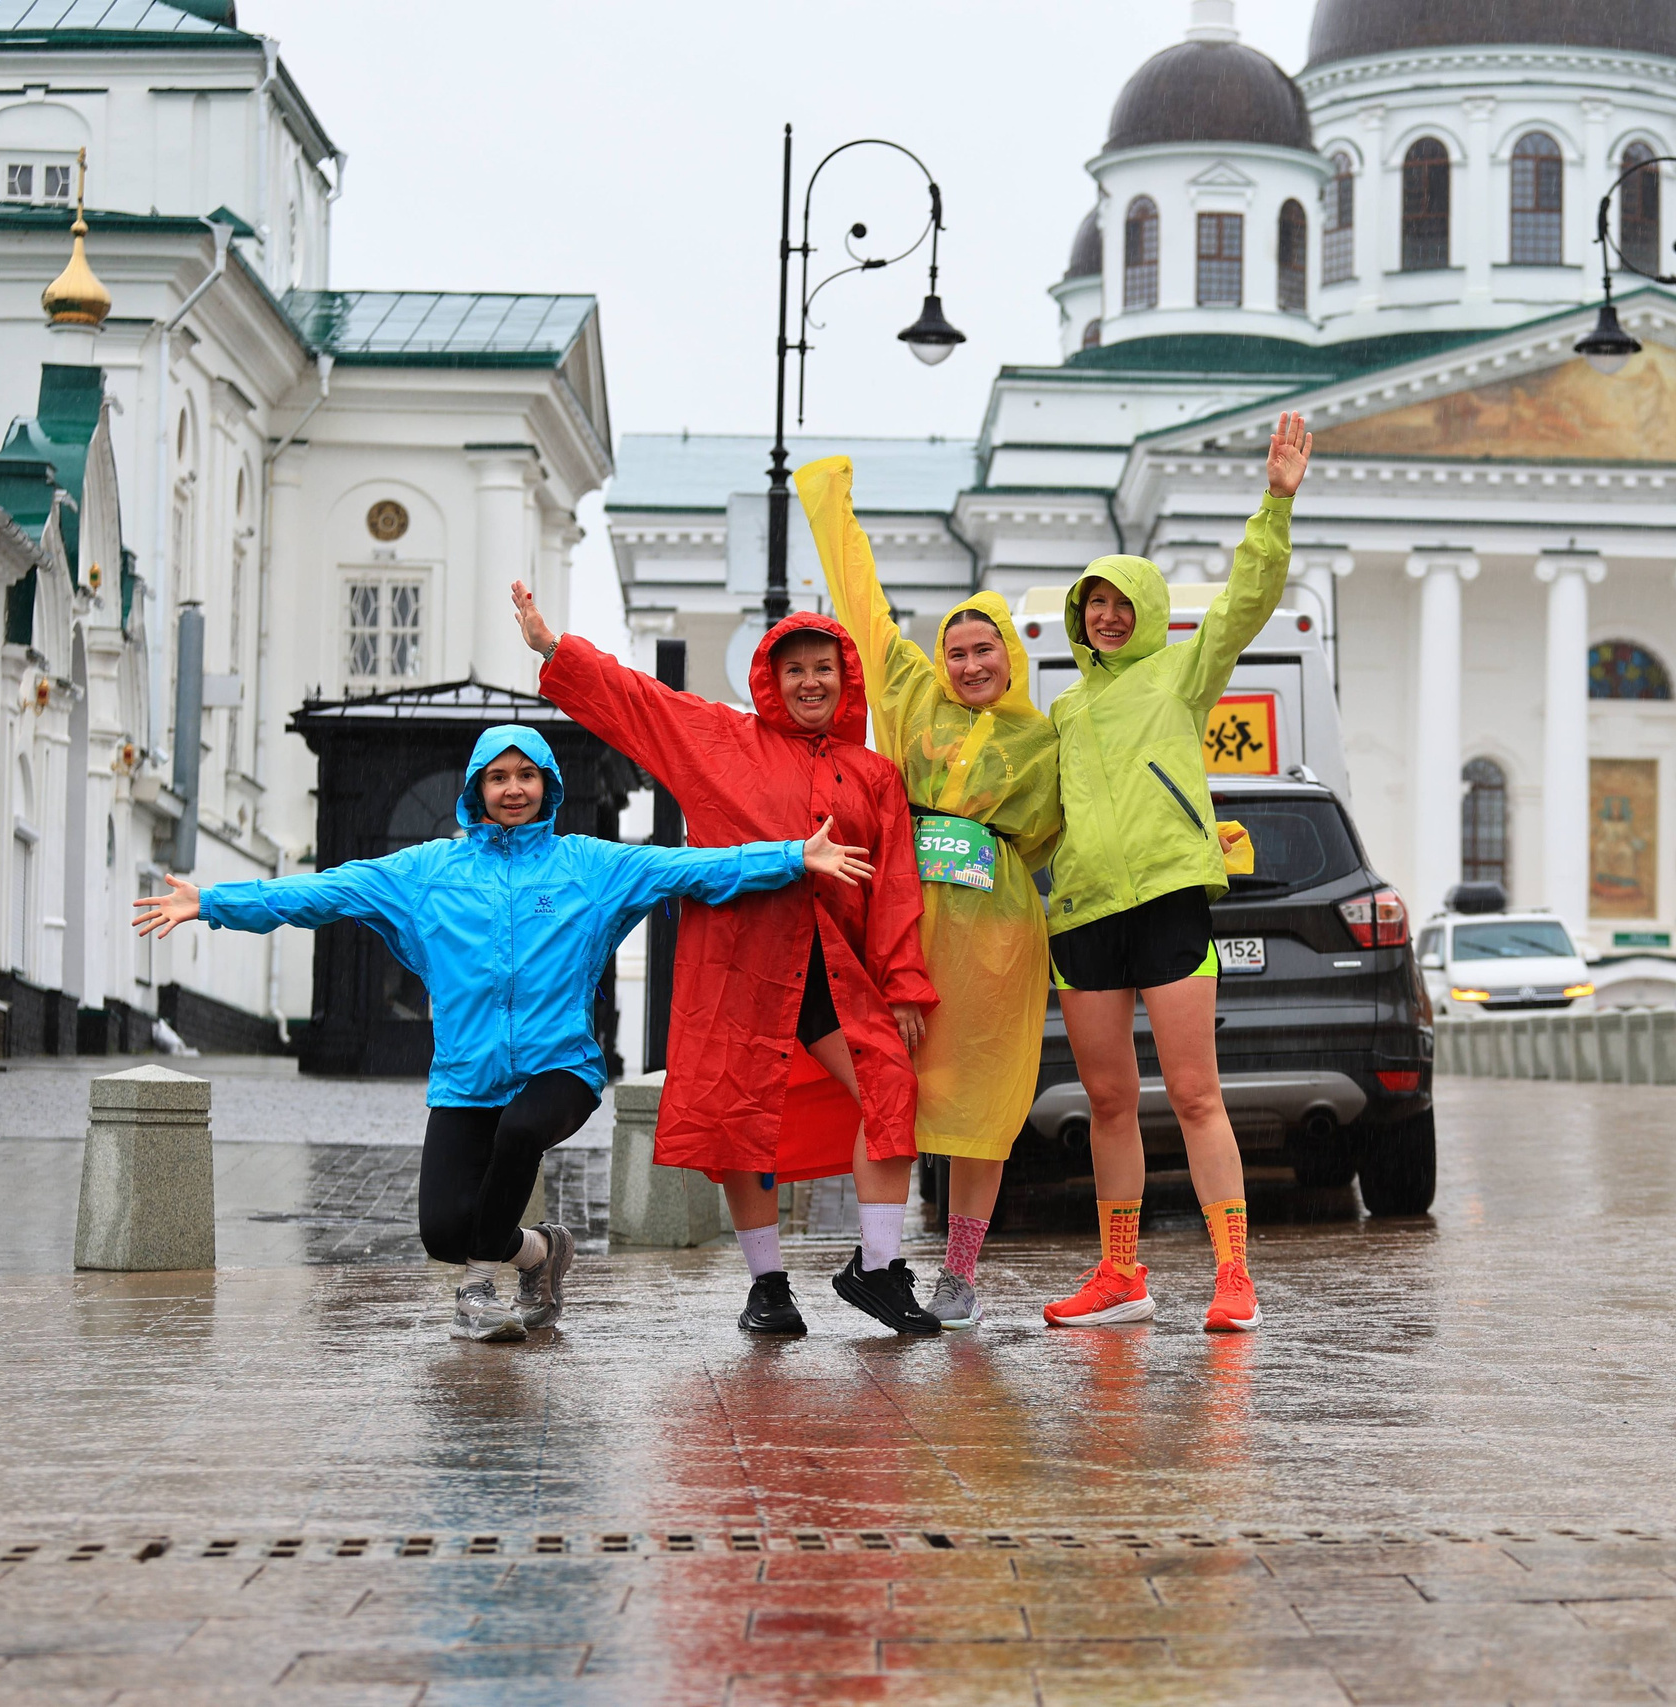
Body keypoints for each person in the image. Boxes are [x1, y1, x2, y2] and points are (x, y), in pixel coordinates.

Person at [132, 725, 869, 1342]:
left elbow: (690, 868)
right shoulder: (427, 870)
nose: (513, 788)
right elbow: (321, 891)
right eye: (497, 777)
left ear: (549, 784)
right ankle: (542, 1252)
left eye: (527, 775)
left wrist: (793, 855)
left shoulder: (590, 864)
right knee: (442, 1230)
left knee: (519, 1136)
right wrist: (214, 902)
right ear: (476, 790)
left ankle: (477, 1294)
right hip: (465, 1078)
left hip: (563, 1070)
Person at [511, 588, 945, 1338]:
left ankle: (875, 1268)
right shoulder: (719, 738)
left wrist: (904, 981)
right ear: (768, 680)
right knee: (744, 1116)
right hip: (741, 970)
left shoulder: (875, 775)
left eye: (824, 667)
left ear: (847, 678)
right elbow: (638, 701)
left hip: (835, 971)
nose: (810, 682)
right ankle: (767, 1286)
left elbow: (897, 883)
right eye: (795, 670)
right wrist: (557, 649)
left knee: (890, 1087)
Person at [1042, 409, 1314, 1335]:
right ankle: (1121, 1272)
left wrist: (1273, 503)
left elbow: (1247, 597)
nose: (1107, 617)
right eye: (1094, 606)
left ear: (1146, 612)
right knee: (1109, 1100)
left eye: (1121, 603)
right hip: (1082, 916)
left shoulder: (1181, 674)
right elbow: (1036, 814)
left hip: (1167, 902)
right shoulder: (1068, 710)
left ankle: (1233, 1273)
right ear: (1080, 619)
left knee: (1196, 1093)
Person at [801, 454, 1061, 1331]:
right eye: (956, 650)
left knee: (985, 1112)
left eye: (984, 648)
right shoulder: (912, 700)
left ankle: (959, 1272)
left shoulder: (1045, 740)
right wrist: (833, 499)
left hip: (1000, 949)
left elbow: (1093, 817)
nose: (969, 662)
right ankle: (880, 1263)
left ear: (1011, 656)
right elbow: (865, 609)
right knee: (893, 1092)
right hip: (907, 932)